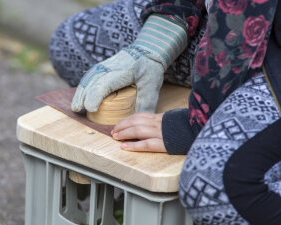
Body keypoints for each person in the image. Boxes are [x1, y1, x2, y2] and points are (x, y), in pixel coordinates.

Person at [49, 0, 281, 224]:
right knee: (71, 44)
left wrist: (199, 121)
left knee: (214, 187)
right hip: (222, 26)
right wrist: (156, 40)